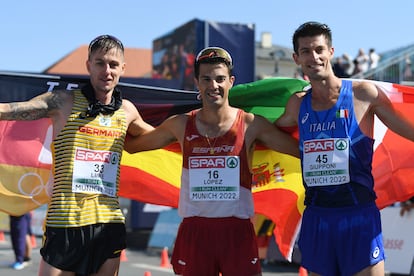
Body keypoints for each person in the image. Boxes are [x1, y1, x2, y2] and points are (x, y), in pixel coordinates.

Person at [124, 46, 300, 276]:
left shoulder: (250, 124)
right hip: (195, 231)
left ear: (231, 82)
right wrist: (125, 117)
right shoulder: (180, 124)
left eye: (220, 79)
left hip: (236, 231)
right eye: (206, 79)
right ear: (197, 82)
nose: (213, 85)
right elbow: (134, 147)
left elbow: (300, 152)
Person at [0, 35, 153, 275]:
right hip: (65, 223)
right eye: (100, 63)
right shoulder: (62, 102)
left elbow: (161, 138)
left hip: (108, 224)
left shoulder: (127, 111)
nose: (107, 70)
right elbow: (9, 111)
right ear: (88, 65)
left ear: (123, 68)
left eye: (113, 64)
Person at [274, 21, 414, 276]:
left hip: (359, 215)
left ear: (331, 52)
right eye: (305, 51)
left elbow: (408, 130)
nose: (313, 57)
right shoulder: (296, 105)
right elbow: (267, 131)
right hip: (318, 219)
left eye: (319, 49)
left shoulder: (363, 94)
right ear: (296, 58)